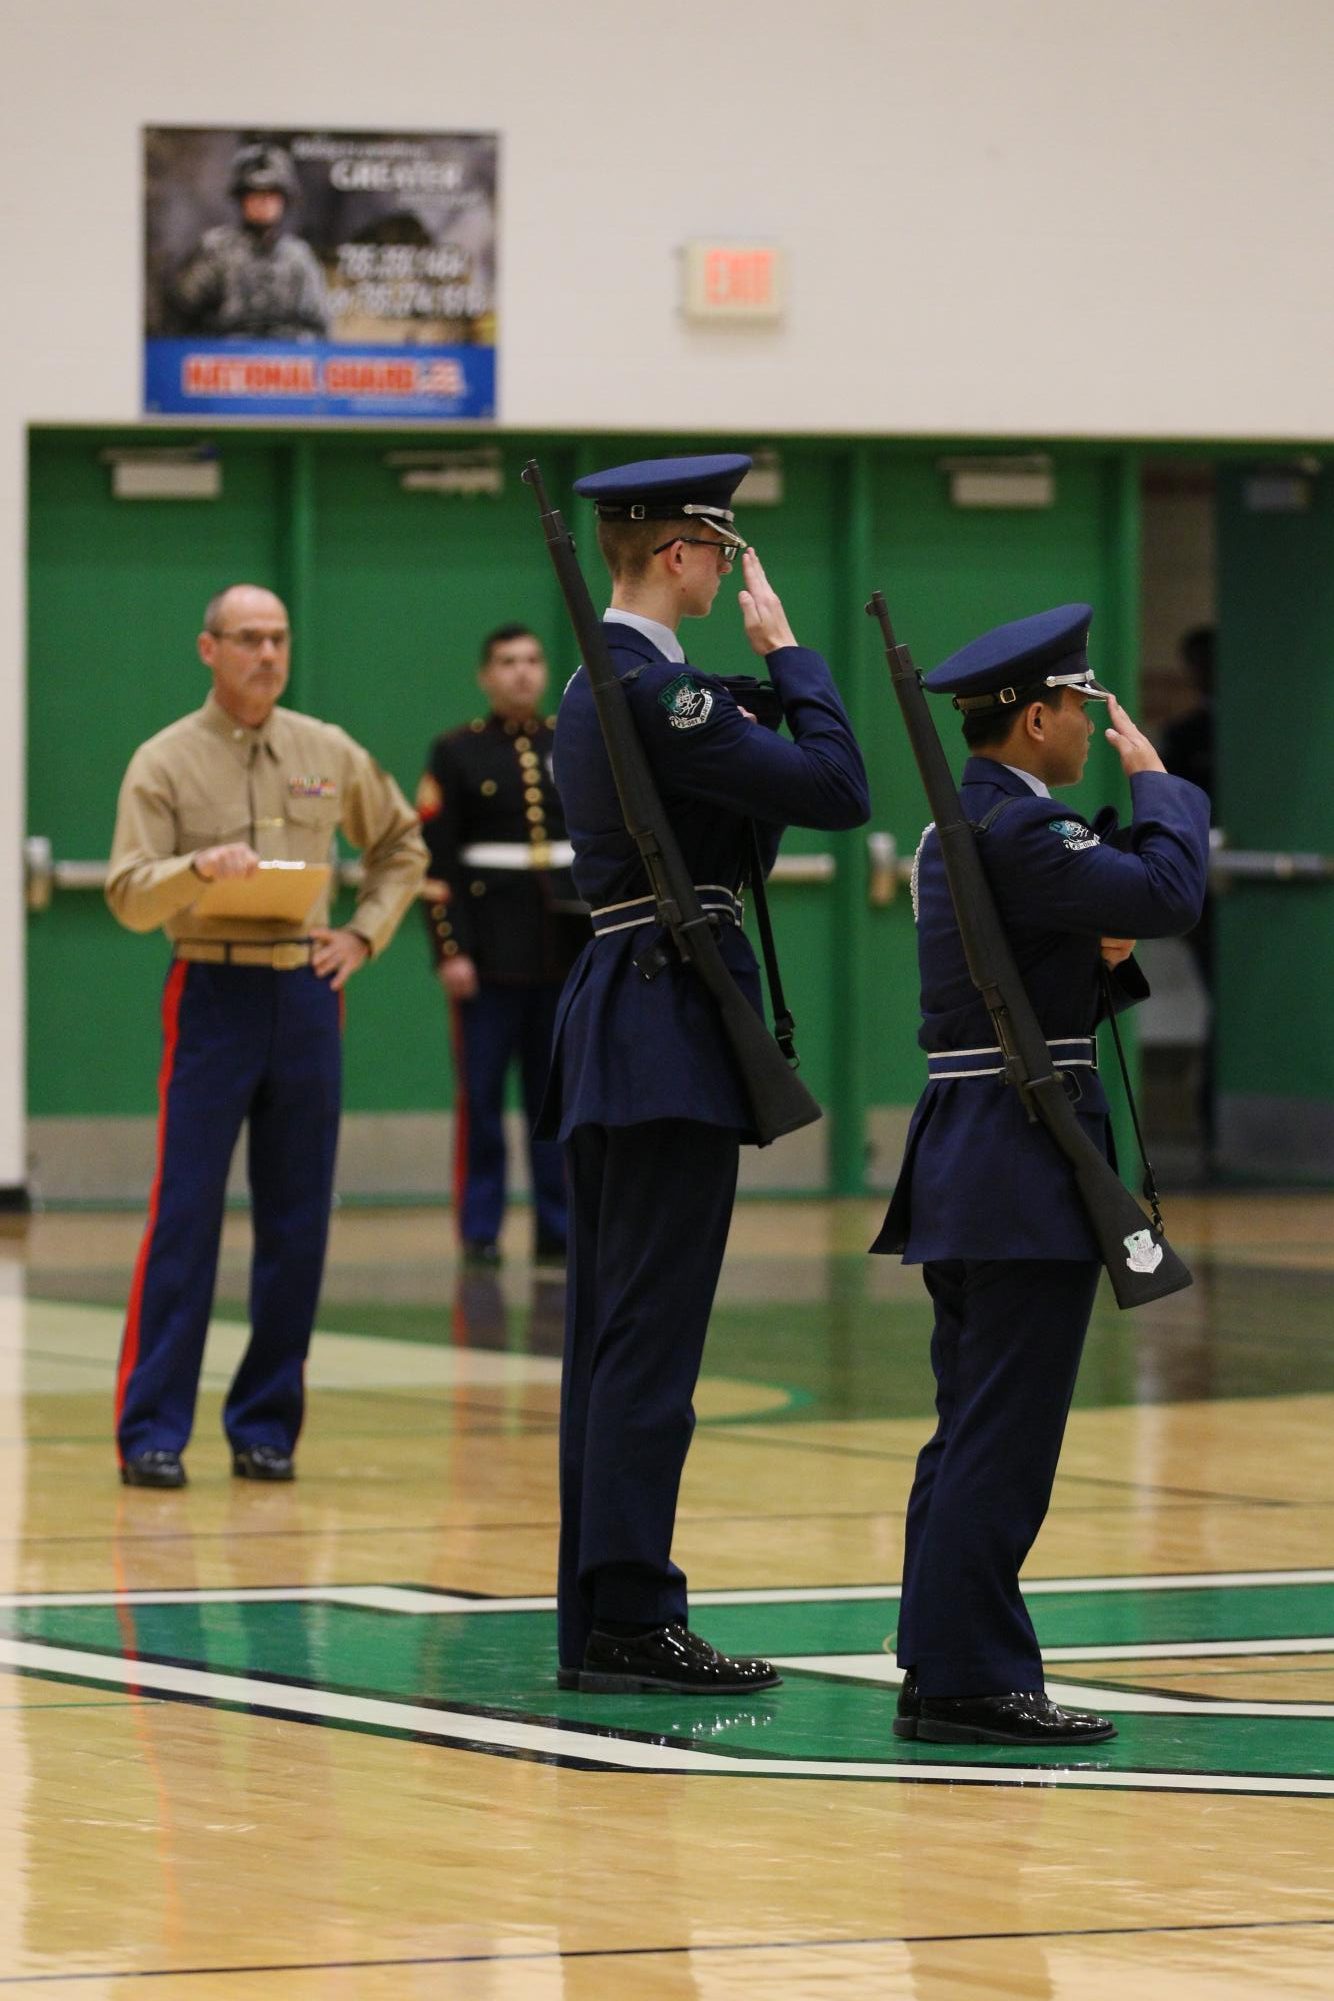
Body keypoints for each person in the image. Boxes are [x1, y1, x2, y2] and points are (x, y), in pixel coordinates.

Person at [542, 454, 870, 1694]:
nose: (730, 572)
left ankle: (604, 1614)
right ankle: (630, 1613)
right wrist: (789, 657)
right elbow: (840, 790)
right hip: (662, 1028)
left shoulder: (611, 680)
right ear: (679, 554)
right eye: (719, 551)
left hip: (622, 1016)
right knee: (649, 1341)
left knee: (615, 1336)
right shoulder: (657, 695)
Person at [872, 604, 1210, 1744]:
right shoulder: (1021, 832)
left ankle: (937, 1659)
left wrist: (1089, 946)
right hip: (1019, 1158)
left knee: (967, 1424)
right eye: (1077, 704)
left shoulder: (961, 828)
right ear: (1032, 718)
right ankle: (970, 1676)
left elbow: (1033, 976)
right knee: (1003, 1435)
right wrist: (1157, 782)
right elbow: (1167, 895)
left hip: (976, 1149)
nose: (1088, 722)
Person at [106, 583, 427, 1488]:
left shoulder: (326, 750)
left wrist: (364, 931)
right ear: (209, 649)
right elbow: (128, 892)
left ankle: (265, 1424)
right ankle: (152, 1430)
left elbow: (402, 845)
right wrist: (195, 866)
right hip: (212, 990)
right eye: (248, 638)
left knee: (298, 1220)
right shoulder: (163, 760)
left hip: (306, 995)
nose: (267, 654)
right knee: (186, 1215)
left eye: (278, 637)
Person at [417, 624, 587, 1264]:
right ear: (486, 676)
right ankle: (481, 1228)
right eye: (507, 662)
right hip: (487, 957)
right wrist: (450, 949)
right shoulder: (456, 752)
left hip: (563, 951)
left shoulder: (570, 744)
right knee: (483, 1101)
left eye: (532, 660)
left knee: (556, 1100)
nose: (521, 673)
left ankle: (558, 1226)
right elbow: (437, 866)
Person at [169, 143, 330, 341]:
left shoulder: (299, 257)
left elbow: (320, 329)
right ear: (241, 198)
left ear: (284, 199)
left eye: (271, 194)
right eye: (255, 193)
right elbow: (180, 312)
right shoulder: (216, 250)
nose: (263, 202)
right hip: (225, 357)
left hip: (285, 361)